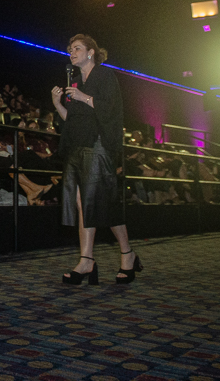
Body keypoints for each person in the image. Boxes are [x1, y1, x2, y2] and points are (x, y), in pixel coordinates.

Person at [51, 34, 142, 285]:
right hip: (77, 146)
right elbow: (72, 119)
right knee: (83, 203)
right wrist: (57, 103)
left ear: (91, 52)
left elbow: (112, 109)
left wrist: (84, 98)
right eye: (70, 49)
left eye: (77, 48)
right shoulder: (75, 81)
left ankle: (126, 254)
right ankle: (87, 260)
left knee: (102, 204)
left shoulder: (104, 75)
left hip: (98, 145)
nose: (72, 52)